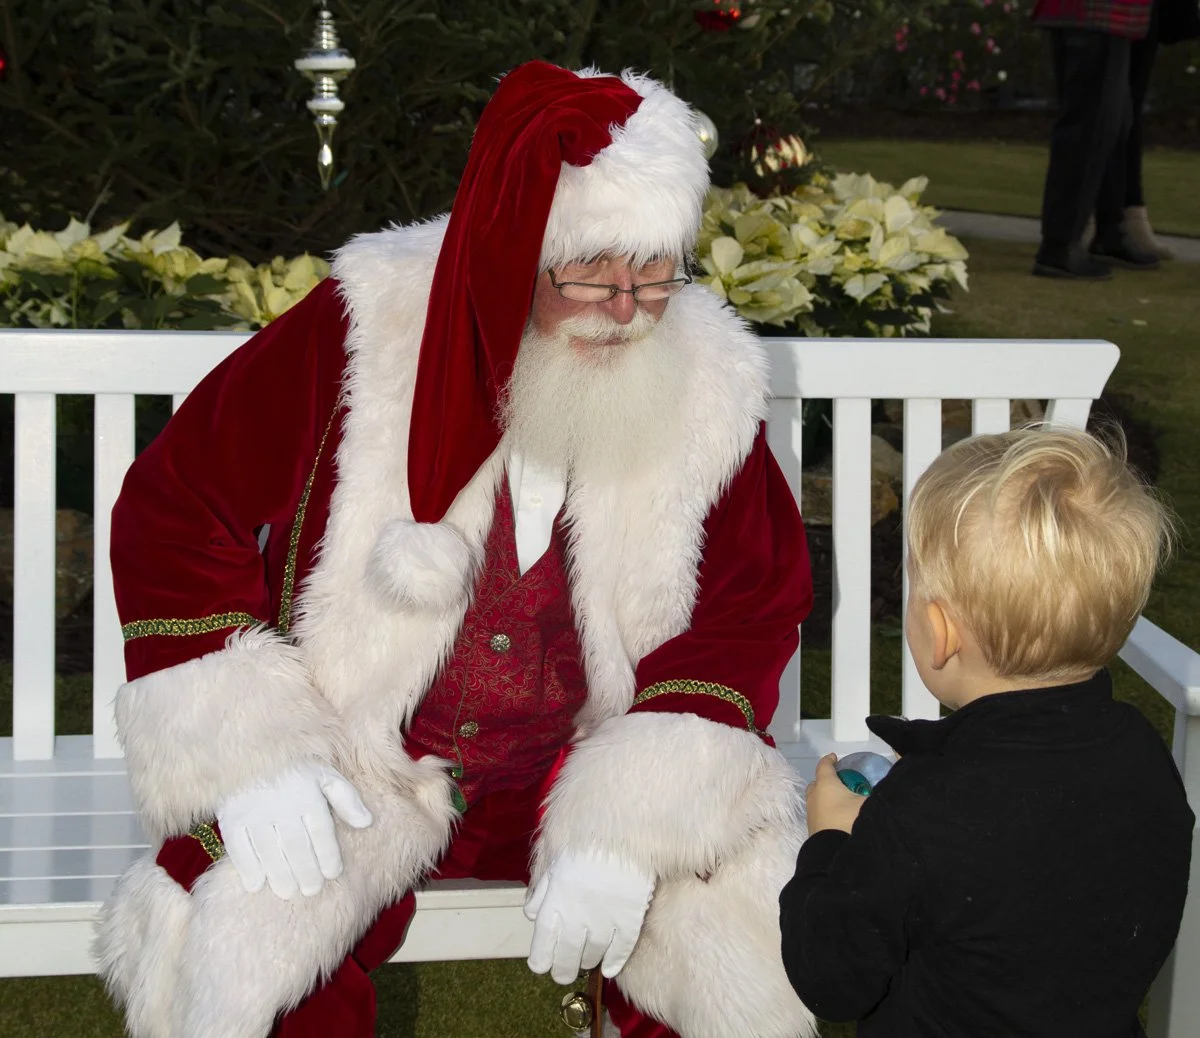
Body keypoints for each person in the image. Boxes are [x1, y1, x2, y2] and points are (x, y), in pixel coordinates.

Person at [93, 61, 819, 1038]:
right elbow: (176, 505)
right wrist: (252, 754)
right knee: (246, 914)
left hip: (587, 757)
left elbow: (754, 597)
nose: (628, 307)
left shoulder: (708, 379)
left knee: (730, 903)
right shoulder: (364, 326)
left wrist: (634, 817)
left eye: (655, 273)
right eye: (592, 271)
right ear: (513, 251)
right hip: (372, 761)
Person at [779, 427, 1194, 1036]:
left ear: (941, 633)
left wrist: (830, 843)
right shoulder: (1141, 754)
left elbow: (831, 980)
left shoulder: (920, 810)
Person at [1031, 0, 1164, 278]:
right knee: (1089, 127)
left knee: (1112, 122)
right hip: (1099, 14)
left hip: (1092, 15)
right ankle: (1060, 244)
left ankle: (1108, 231)